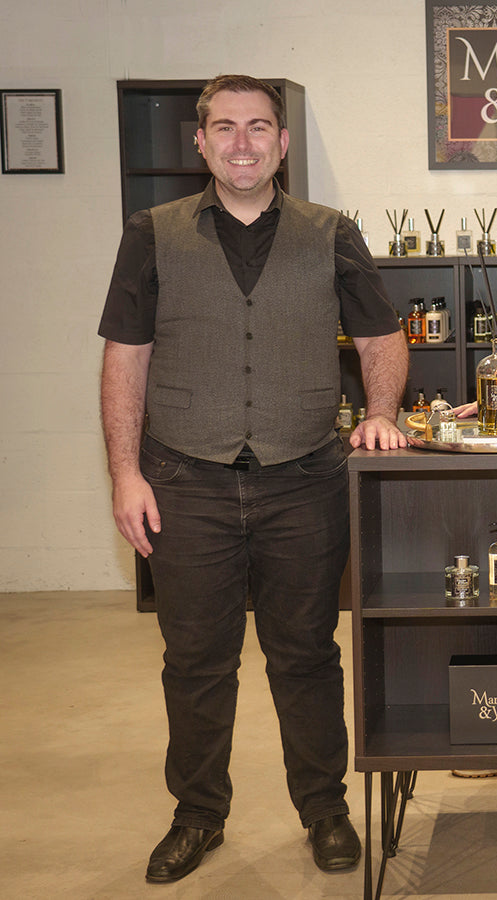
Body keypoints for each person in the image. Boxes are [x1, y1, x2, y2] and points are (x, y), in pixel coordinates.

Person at [98, 74, 408, 883]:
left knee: (305, 654)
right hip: (185, 481)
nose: (243, 141)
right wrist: (126, 474)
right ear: (199, 142)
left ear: (283, 141)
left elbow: (382, 335)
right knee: (196, 661)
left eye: (259, 125)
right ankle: (198, 814)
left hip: (303, 478)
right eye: (225, 127)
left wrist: (381, 409)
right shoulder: (152, 232)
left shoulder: (330, 231)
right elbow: (125, 357)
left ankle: (324, 809)